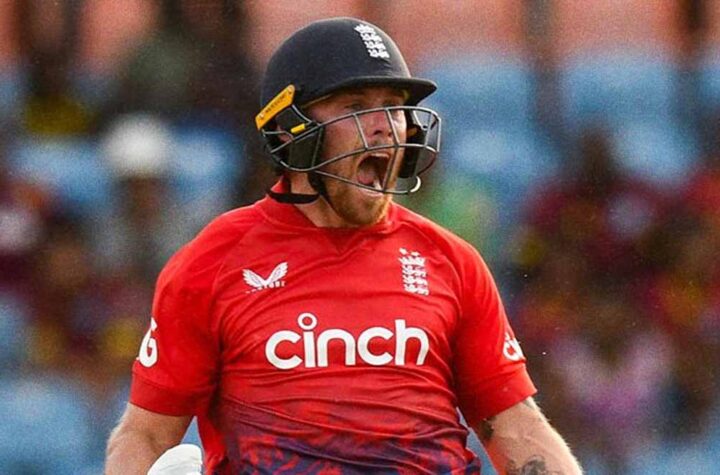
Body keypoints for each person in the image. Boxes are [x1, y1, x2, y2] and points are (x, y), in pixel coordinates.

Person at [105, 17, 583, 474]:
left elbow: (519, 429)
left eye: (393, 107)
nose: (385, 126)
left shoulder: (452, 262)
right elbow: (145, 434)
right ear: (291, 130)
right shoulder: (212, 263)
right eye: (356, 107)